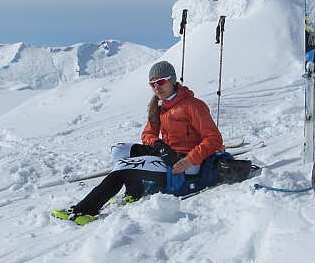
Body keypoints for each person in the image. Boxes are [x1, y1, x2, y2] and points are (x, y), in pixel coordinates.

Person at [52, 61, 225, 225]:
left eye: (160, 82)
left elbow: (214, 139)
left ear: (172, 80)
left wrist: (189, 159)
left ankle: (83, 212)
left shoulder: (193, 105)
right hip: (168, 156)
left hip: (186, 163)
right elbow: (147, 134)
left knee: (123, 167)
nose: (156, 87)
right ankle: (134, 193)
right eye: (152, 84)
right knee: (119, 151)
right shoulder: (160, 106)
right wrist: (158, 145)